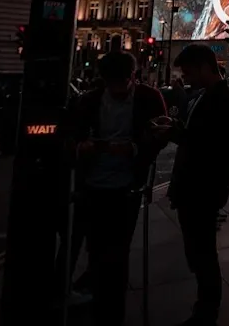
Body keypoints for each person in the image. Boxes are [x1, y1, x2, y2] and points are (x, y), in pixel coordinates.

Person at [71, 51, 168, 325]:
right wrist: (82, 146)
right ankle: (97, 292)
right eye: (112, 83)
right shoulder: (89, 101)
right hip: (92, 184)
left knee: (118, 249)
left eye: (123, 82)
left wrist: (135, 148)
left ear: (133, 77)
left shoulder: (149, 98)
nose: (118, 89)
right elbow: (73, 135)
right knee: (97, 246)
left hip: (127, 185)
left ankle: (112, 307)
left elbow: (160, 134)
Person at [162, 45, 229, 325]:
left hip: (202, 188)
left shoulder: (221, 98)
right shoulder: (208, 95)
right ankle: (205, 305)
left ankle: (206, 310)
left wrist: (173, 132)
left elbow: (205, 145)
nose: (187, 78)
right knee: (198, 251)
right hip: (197, 187)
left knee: (202, 253)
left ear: (205, 66)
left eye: (189, 72)